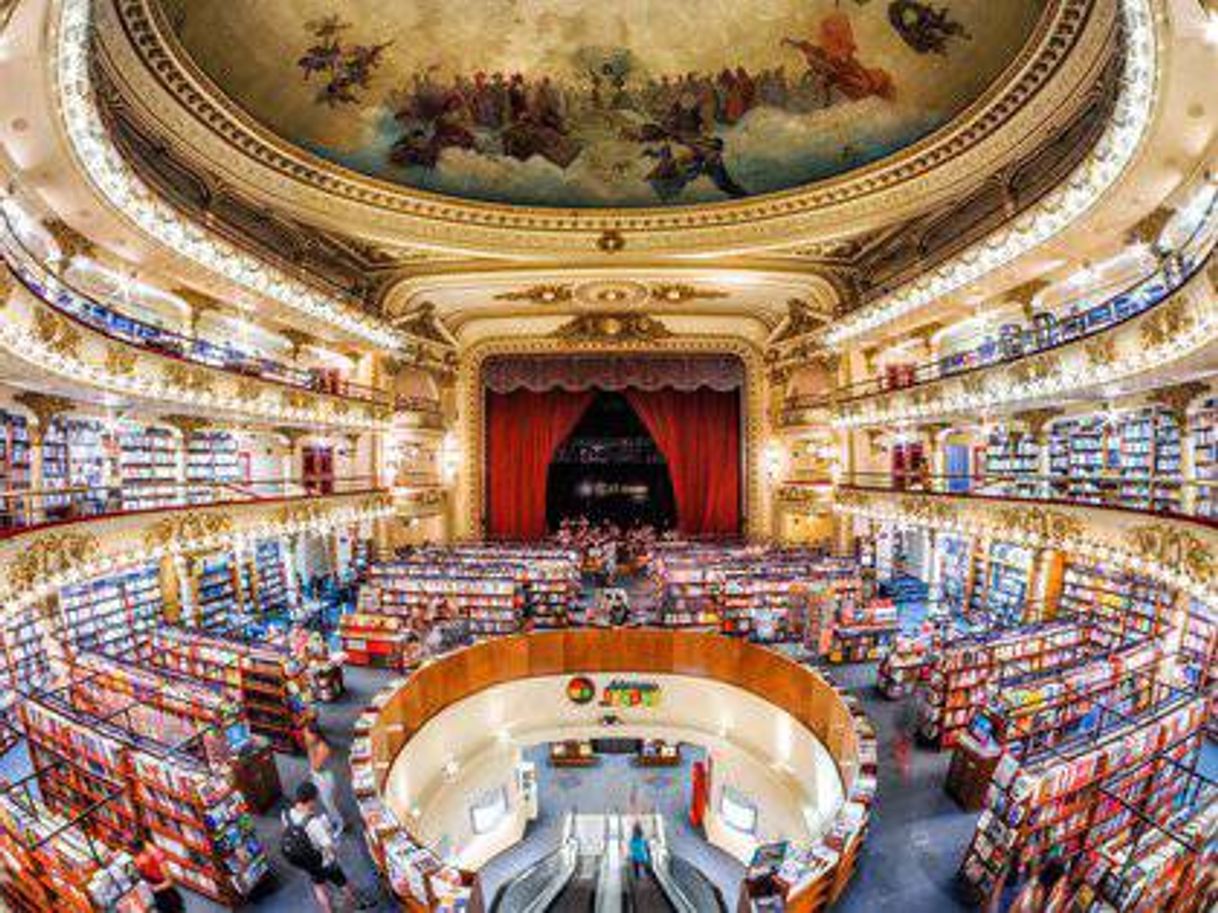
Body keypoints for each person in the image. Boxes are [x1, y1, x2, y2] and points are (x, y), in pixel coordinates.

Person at [283, 781, 374, 912]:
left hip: (306, 862)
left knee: (319, 887)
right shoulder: (314, 823)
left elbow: (289, 832)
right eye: (315, 800)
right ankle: (358, 904)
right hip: (324, 861)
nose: (316, 803)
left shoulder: (286, 814)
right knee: (343, 883)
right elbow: (329, 846)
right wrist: (330, 832)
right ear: (309, 801)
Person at [303, 721, 345, 835]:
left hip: (325, 778)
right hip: (318, 777)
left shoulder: (323, 748)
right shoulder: (315, 744)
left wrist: (310, 748)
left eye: (307, 734)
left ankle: (340, 824)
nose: (304, 736)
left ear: (315, 735)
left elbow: (315, 766)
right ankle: (333, 819)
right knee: (325, 801)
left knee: (328, 803)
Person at [130, 836, 185, 913]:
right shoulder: (137, 854)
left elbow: (169, 882)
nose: (137, 858)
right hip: (153, 883)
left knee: (170, 908)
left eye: (137, 854)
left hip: (162, 887)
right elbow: (139, 870)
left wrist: (154, 889)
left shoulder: (158, 857)